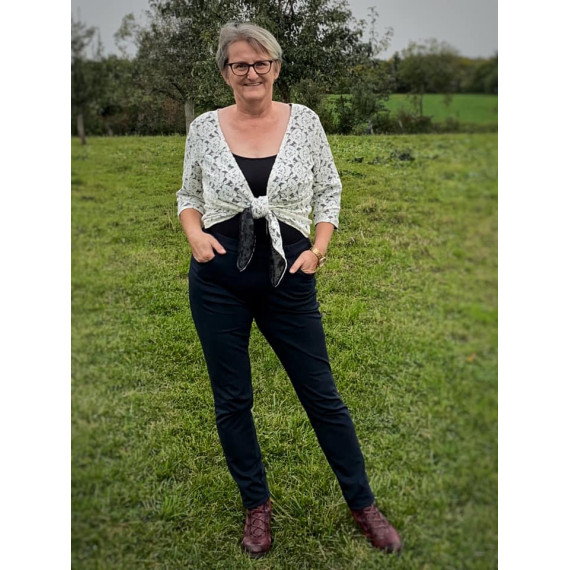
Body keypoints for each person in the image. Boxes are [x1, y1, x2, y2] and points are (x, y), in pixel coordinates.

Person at [176, 21, 402, 557]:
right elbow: (189, 193)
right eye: (239, 64)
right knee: (233, 400)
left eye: (261, 63)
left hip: (289, 275)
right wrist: (195, 236)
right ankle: (256, 505)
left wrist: (317, 250)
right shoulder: (204, 128)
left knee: (321, 395)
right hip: (219, 280)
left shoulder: (305, 122)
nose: (251, 72)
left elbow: (329, 189)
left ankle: (363, 503)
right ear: (225, 72)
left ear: (276, 67)